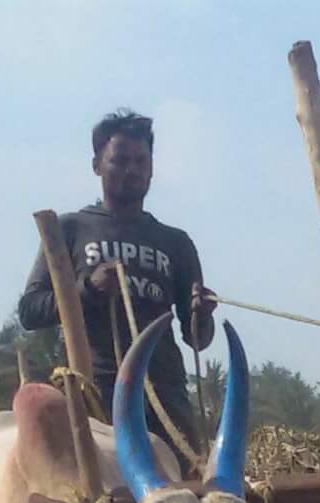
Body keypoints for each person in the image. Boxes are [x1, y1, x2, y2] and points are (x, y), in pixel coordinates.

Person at [18, 109, 217, 472]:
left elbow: (197, 340)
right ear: (97, 165)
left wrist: (201, 313)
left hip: (165, 394)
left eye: (141, 161)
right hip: (97, 395)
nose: (133, 169)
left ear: (152, 168)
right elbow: (30, 311)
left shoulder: (175, 242)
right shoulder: (70, 229)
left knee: (184, 496)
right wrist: (88, 289)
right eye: (120, 160)